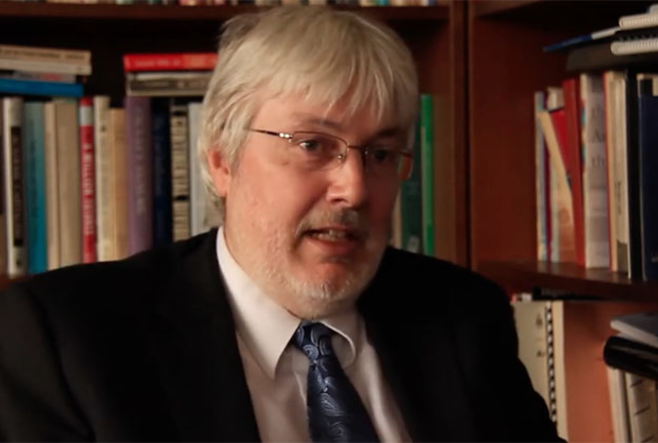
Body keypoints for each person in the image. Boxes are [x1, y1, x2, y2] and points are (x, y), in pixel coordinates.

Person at [0, 5, 562, 442]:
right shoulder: (67, 339)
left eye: (382, 154)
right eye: (313, 144)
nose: (355, 188)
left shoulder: (463, 315)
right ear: (222, 159)